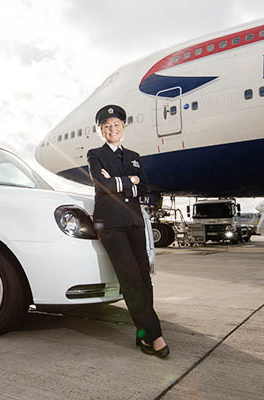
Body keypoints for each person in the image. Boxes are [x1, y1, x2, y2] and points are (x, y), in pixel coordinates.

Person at [87, 104, 169, 359]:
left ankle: (142, 333)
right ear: (101, 130)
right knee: (131, 279)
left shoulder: (133, 155)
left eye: (117, 125)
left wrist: (121, 183)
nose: (113, 129)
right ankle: (154, 335)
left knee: (144, 278)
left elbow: (143, 186)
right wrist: (127, 181)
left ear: (123, 128)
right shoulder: (95, 154)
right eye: (107, 126)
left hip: (134, 221)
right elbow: (103, 185)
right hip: (110, 224)